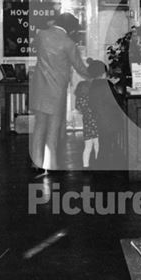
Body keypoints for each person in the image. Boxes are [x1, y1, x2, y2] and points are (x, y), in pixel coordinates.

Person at [29, 13, 90, 174]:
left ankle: (36, 162)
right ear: (70, 29)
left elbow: (37, 50)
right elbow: (80, 68)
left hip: (39, 88)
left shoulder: (41, 35)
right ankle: (51, 165)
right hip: (56, 90)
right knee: (53, 130)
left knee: (39, 127)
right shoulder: (68, 43)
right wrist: (96, 72)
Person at [74, 59, 107, 168]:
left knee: (87, 147)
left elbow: (78, 108)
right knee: (98, 145)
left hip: (87, 124)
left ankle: (85, 165)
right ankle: (98, 164)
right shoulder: (97, 89)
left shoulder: (82, 91)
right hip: (97, 123)